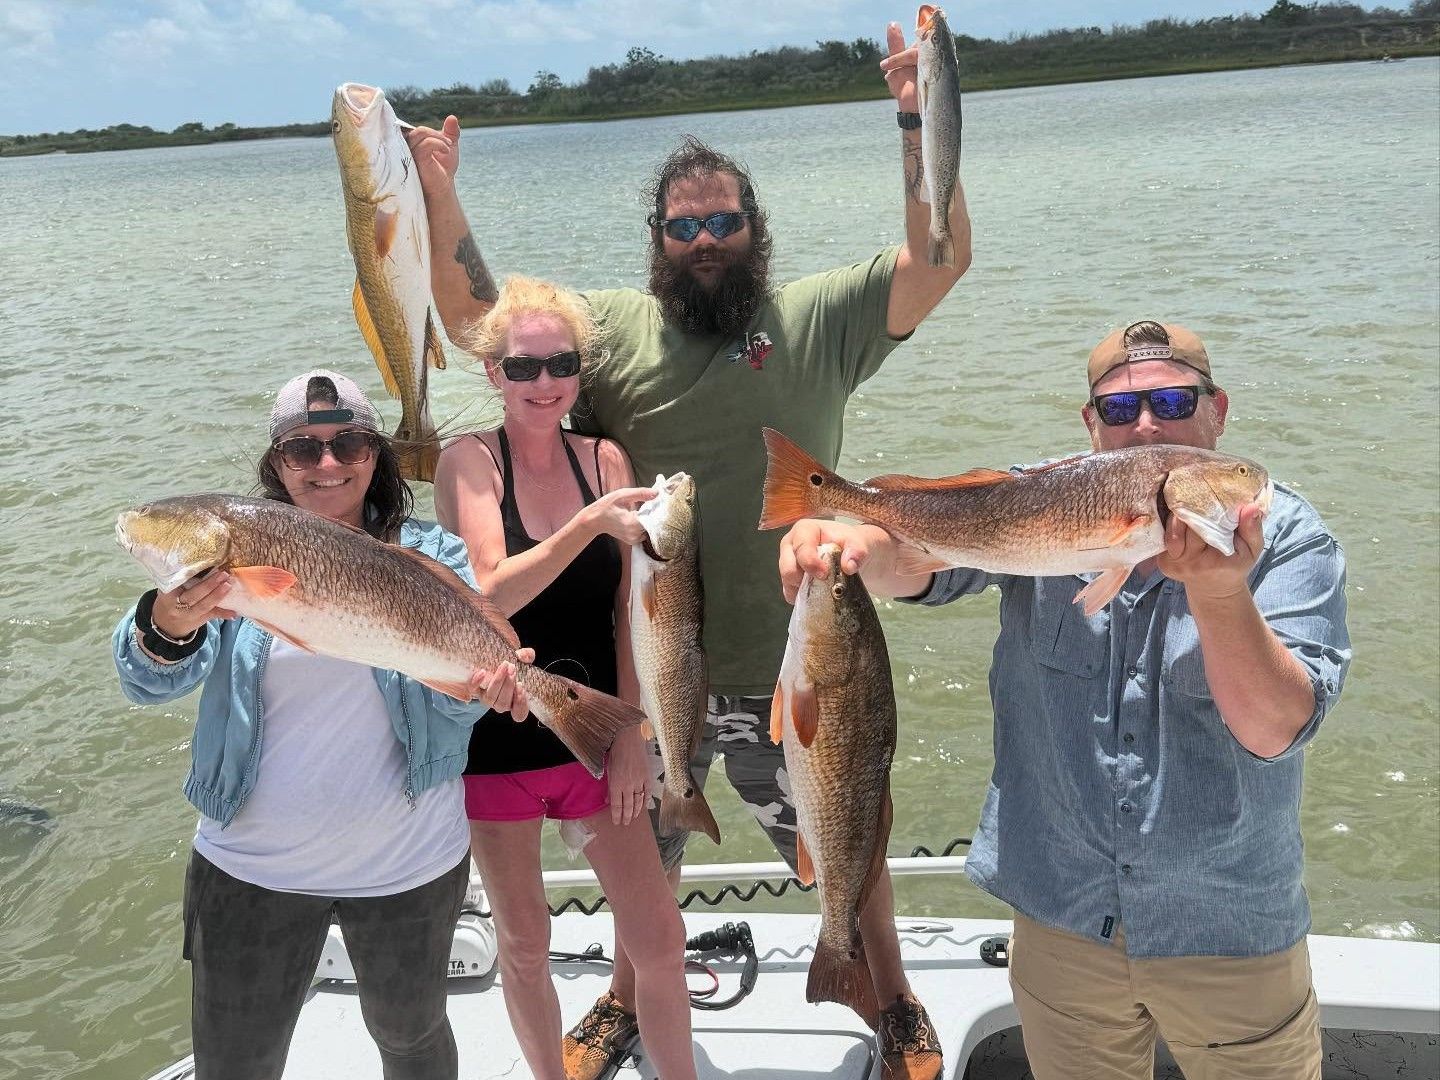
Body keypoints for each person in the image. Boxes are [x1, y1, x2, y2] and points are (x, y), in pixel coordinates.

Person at [408, 21, 970, 1080]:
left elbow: (939, 258)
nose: (704, 239)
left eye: (722, 221)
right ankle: (625, 1000)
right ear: (657, 239)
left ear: (756, 228)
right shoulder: (612, 331)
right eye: (682, 226)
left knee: (850, 845)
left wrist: (919, 119)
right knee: (645, 864)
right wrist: (440, 192)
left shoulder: (820, 320)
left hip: (797, 666)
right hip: (653, 676)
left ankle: (891, 994)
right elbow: (483, 318)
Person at [778, 320, 1352, 1079]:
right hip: (1062, 922)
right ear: (1091, 423)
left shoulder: (1291, 538)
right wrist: (850, 543)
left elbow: (1275, 727)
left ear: (1217, 412)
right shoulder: (1048, 495)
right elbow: (916, 563)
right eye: (1119, 408)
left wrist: (1219, 593)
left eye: (1173, 401)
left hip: (1229, 927)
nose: (1145, 424)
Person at [113, 370, 499, 1080]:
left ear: (375, 455)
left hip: (409, 864)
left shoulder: (432, 555)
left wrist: (484, 690)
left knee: (413, 1040)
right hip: (252, 868)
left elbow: (456, 708)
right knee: (235, 1063)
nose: (327, 463)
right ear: (277, 463)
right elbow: (146, 680)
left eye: (349, 443)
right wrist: (167, 622)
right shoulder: (233, 558)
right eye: (302, 448)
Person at [432, 277, 699, 1080]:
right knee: (524, 943)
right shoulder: (469, 462)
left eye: (561, 364)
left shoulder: (604, 459)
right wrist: (586, 524)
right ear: (494, 373)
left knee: (659, 939)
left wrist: (632, 734)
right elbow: (490, 591)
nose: (543, 383)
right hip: (497, 743)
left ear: (581, 370)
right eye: (523, 367)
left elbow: (629, 609)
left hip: (597, 739)